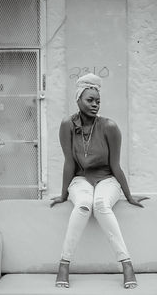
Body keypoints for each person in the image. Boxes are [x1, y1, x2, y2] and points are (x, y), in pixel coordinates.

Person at [50, 73, 149, 289]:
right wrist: (63, 194)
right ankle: (64, 264)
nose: (95, 105)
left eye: (98, 101)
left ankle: (126, 264)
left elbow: (116, 166)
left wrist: (129, 195)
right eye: (90, 100)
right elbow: (69, 162)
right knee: (84, 205)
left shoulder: (110, 127)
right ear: (78, 100)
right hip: (80, 180)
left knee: (101, 204)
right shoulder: (67, 125)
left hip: (107, 180)